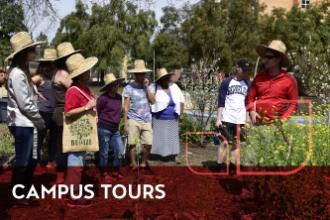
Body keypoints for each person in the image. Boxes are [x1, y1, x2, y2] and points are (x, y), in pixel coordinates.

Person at [6, 32, 45, 207]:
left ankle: (24, 191)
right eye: (32, 49)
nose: (35, 52)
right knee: (23, 160)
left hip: (27, 122)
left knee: (31, 159)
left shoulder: (22, 73)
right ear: (25, 52)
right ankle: (17, 195)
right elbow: (24, 104)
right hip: (23, 123)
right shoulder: (17, 74)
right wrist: (39, 120)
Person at [244, 40, 298, 165]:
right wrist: (251, 111)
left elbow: (294, 103)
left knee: (269, 162)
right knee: (250, 160)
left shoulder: (289, 80)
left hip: (276, 127)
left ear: (278, 59)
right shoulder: (259, 77)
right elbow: (250, 98)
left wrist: (282, 120)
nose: (265, 60)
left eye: (269, 57)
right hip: (257, 125)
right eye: (264, 57)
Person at [64, 53, 98, 207]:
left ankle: (72, 190)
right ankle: (73, 195)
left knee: (78, 161)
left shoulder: (83, 88)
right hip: (77, 132)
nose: (90, 72)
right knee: (75, 162)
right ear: (81, 74)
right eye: (87, 70)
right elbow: (68, 112)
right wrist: (86, 107)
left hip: (82, 131)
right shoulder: (73, 91)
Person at [52, 42, 80, 183]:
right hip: (63, 112)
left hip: (60, 112)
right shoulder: (63, 74)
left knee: (62, 144)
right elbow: (75, 88)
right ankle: (61, 177)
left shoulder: (58, 72)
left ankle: (62, 176)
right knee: (64, 146)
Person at [215, 59, 251, 170]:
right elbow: (221, 101)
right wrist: (218, 118)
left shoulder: (247, 84)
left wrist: (247, 119)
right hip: (227, 118)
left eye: (246, 71)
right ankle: (219, 165)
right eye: (243, 70)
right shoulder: (227, 82)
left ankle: (234, 166)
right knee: (224, 143)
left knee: (236, 144)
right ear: (237, 68)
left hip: (240, 120)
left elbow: (248, 104)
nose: (245, 72)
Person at [123, 59, 155, 170]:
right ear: (135, 74)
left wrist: (146, 88)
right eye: (139, 73)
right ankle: (133, 163)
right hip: (133, 119)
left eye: (143, 73)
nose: (141, 75)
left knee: (148, 143)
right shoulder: (128, 88)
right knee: (132, 143)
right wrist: (126, 123)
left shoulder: (150, 86)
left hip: (146, 119)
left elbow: (153, 101)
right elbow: (126, 106)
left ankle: (143, 162)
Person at [150, 68, 184, 163]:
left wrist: (181, 114)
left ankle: (175, 156)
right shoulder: (154, 87)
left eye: (166, 78)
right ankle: (160, 154)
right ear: (160, 79)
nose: (165, 80)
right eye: (163, 78)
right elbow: (150, 100)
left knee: (174, 137)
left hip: (173, 116)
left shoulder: (174, 86)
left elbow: (181, 100)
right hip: (159, 117)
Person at [32, 48, 57, 172]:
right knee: (39, 137)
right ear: (45, 64)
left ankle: (51, 160)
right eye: (50, 63)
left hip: (54, 112)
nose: (53, 65)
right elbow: (27, 84)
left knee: (53, 137)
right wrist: (36, 93)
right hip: (42, 112)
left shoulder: (55, 76)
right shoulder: (40, 77)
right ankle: (35, 162)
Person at [97, 73, 125, 183]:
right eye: (113, 85)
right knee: (104, 152)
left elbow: (119, 112)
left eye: (117, 84)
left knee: (119, 151)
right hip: (104, 128)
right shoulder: (103, 98)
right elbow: (97, 112)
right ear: (108, 86)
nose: (116, 86)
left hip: (115, 129)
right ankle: (103, 173)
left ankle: (115, 171)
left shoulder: (119, 98)